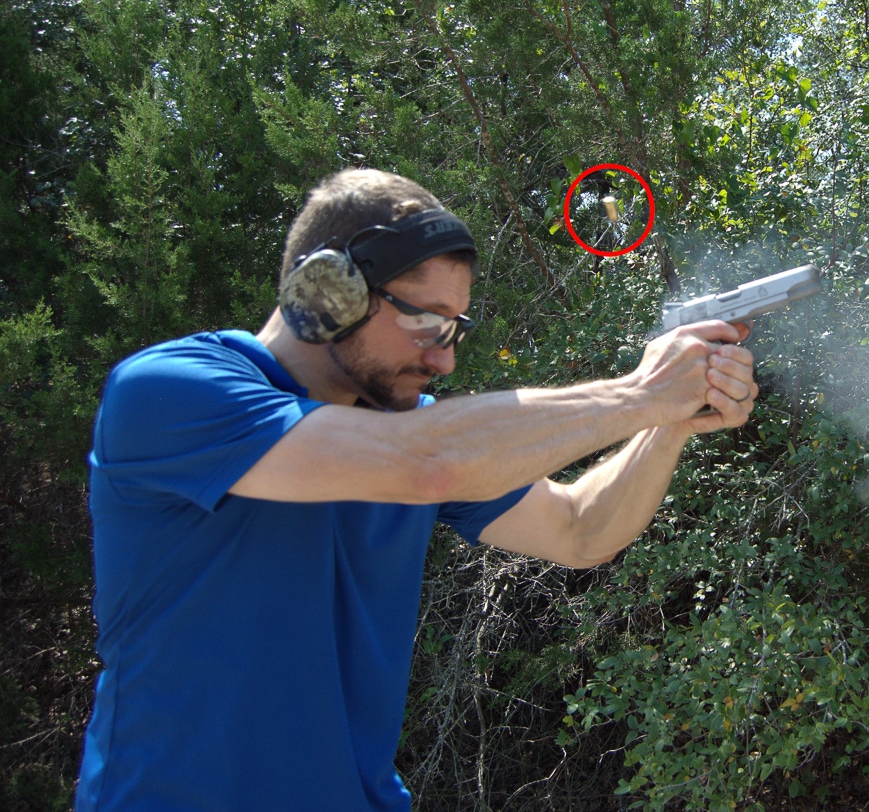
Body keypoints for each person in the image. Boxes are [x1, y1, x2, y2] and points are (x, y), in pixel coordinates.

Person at [76, 168, 757, 812]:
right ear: (329, 288)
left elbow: (582, 528)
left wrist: (669, 420)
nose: (444, 355)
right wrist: (639, 392)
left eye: (454, 327)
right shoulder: (170, 392)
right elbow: (424, 463)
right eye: (426, 321)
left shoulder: (419, 430)